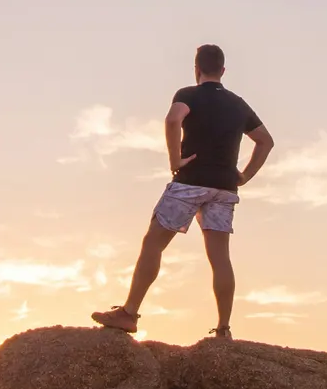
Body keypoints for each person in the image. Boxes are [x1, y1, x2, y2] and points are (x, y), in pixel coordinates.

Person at [91, 44, 274, 340]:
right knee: (220, 258)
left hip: (189, 182)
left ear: (196, 69)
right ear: (223, 71)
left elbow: (173, 119)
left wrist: (175, 160)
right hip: (224, 188)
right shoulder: (239, 104)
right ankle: (224, 329)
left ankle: (129, 313)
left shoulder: (188, 94)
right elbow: (265, 141)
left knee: (153, 243)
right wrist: (244, 175)